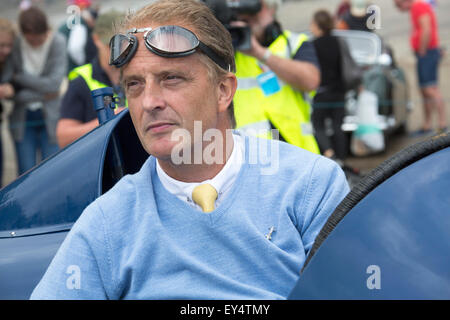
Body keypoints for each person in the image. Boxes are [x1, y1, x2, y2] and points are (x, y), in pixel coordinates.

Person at [30, 0, 349, 299]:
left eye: (171, 79)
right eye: (134, 85)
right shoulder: (108, 220)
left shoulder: (310, 186)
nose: (149, 102)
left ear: (224, 90)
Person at [232, 0, 321, 154]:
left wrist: (260, 53)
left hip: (297, 150)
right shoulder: (228, 51)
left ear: (272, 8)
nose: (248, 15)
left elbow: (310, 80)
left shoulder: (293, 43)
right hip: (248, 154)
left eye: (255, 6)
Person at [10, 7, 67, 175]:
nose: (35, 43)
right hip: (22, 117)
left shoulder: (58, 42)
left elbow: (53, 85)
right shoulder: (15, 44)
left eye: (39, 39)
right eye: (31, 40)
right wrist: (43, 93)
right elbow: (9, 85)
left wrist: (19, 79)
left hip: (50, 116)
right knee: (25, 172)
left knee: (52, 171)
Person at [56, 10, 126, 148]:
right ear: (95, 39)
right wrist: (108, 121)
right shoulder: (80, 80)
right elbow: (63, 137)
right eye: (110, 45)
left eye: (122, 43)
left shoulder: (141, 73)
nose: (117, 51)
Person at [393, 0, 447, 134]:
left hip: (427, 52)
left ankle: (442, 122)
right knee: (425, 90)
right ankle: (427, 124)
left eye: (398, 5)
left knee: (430, 89)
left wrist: (422, 49)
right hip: (426, 52)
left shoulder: (419, 6)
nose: (398, 9)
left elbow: (426, 28)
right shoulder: (418, 7)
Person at [310, 10, 348, 162]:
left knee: (318, 125)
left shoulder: (312, 45)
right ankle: (342, 158)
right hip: (339, 91)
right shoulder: (338, 41)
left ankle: (329, 153)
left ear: (318, 25)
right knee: (338, 126)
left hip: (321, 92)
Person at [58, 0, 99, 74]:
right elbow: (75, 48)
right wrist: (83, 64)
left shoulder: (71, 22)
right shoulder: (79, 24)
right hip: (74, 72)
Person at [0, 18, 16, 186]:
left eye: (9, 45)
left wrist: (10, 88)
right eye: (1, 45)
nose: (6, 50)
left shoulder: (8, 61)